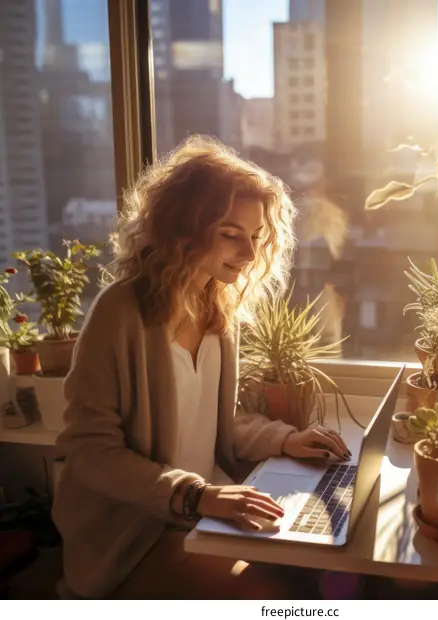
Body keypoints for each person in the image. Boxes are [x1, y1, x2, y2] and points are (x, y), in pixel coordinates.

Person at [51, 135, 351, 600]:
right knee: (275, 596)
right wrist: (193, 495)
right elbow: (89, 452)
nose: (250, 255)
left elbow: (218, 422)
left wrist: (285, 439)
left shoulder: (218, 307)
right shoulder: (120, 312)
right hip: (139, 537)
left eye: (255, 237)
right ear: (182, 228)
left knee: (318, 570)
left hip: (203, 513)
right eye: (231, 235)